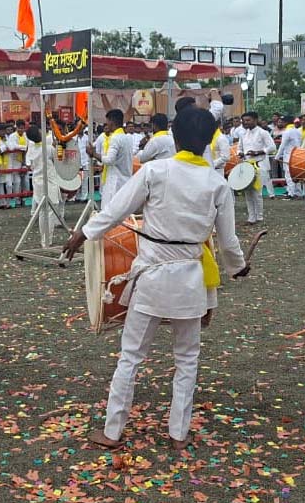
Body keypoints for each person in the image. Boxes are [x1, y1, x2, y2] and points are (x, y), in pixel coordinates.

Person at [63, 107, 249, 451]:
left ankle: (112, 432)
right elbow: (229, 241)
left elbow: (115, 210)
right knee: (187, 359)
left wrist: (83, 234)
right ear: (210, 140)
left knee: (131, 356)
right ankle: (178, 434)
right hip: (190, 280)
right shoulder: (218, 184)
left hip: (151, 280)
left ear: (174, 137)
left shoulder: (155, 171)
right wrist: (238, 267)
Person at [25, 121, 64, 247]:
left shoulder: (32, 149)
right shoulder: (47, 148)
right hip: (49, 182)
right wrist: (58, 146)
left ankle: (44, 241)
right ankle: (48, 240)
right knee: (51, 210)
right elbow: (59, 159)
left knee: (42, 211)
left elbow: (29, 164)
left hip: (37, 182)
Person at [88, 109, 134, 206]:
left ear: (112, 122)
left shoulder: (115, 138)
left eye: (107, 122)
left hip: (115, 182)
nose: (106, 125)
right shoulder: (128, 138)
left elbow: (109, 160)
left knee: (109, 211)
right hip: (125, 180)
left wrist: (94, 154)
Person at [239, 112, 276, 224]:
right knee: (247, 192)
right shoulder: (243, 134)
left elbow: (272, 147)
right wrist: (240, 153)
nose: (246, 122)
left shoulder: (262, 133)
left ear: (255, 120)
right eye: (244, 121)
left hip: (258, 164)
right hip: (246, 164)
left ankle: (259, 216)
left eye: (248, 120)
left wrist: (259, 152)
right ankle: (251, 217)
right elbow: (239, 147)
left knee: (257, 192)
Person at [277, 116, 304, 198]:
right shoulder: (298, 131)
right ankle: (298, 192)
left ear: (285, 123)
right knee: (296, 175)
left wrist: (277, 156)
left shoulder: (286, 132)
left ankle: (291, 193)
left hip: (289, 156)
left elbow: (282, 145)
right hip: (297, 155)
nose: (280, 123)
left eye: (281, 122)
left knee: (288, 175)